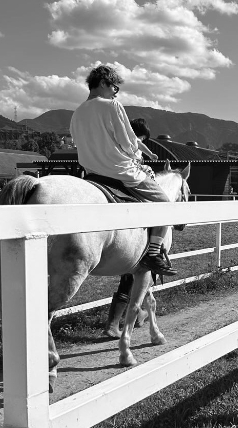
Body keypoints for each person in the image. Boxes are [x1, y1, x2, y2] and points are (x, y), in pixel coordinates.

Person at [70, 65, 176, 276]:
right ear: (102, 83)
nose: (115, 92)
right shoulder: (112, 106)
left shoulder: (76, 113)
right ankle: (153, 254)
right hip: (121, 171)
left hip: (92, 174)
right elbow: (128, 143)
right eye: (114, 87)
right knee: (165, 204)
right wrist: (138, 156)